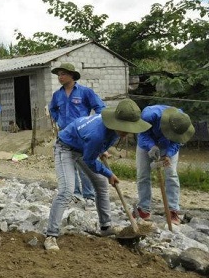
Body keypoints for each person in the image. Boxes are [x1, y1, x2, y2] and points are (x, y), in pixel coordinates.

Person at [44, 99, 151, 251]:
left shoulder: (113, 129)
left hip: (83, 146)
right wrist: (108, 173)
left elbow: (95, 144)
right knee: (67, 190)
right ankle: (51, 235)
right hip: (65, 147)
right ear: (116, 122)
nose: (126, 133)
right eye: (124, 129)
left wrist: (101, 149)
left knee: (100, 184)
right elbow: (89, 160)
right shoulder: (97, 135)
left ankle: (106, 227)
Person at [48, 63, 106, 209]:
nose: (60, 77)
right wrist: (58, 119)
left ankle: (89, 196)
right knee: (69, 165)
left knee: (85, 165)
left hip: (82, 135)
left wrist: (94, 123)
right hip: (65, 135)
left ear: (72, 75)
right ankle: (76, 195)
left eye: (63, 74)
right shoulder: (57, 95)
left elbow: (100, 108)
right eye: (59, 75)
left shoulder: (85, 92)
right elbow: (52, 109)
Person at [135, 105, 195, 226]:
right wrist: (151, 146)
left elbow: (177, 141)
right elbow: (142, 134)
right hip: (147, 142)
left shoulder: (182, 121)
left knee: (171, 174)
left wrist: (168, 154)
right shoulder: (149, 115)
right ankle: (143, 209)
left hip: (168, 145)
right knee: (142, 174)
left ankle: (172, 210)